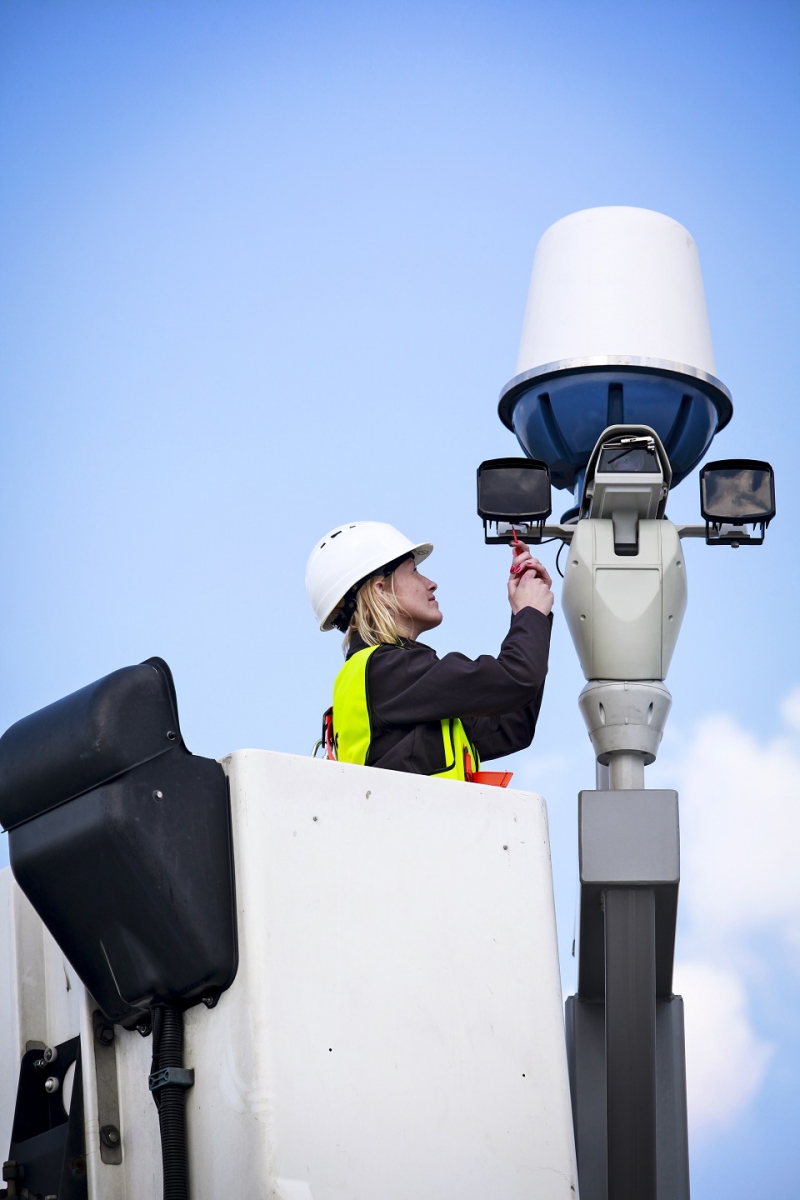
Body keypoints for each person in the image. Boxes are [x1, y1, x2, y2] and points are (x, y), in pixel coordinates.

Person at [305, 521, 554, 782]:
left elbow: (510, 727)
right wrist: (530, 613)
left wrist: (528, 614)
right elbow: (518, 677)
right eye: (414, 572)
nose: (431, 583)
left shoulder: (385, 678)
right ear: (381, 590)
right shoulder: (389, 671)